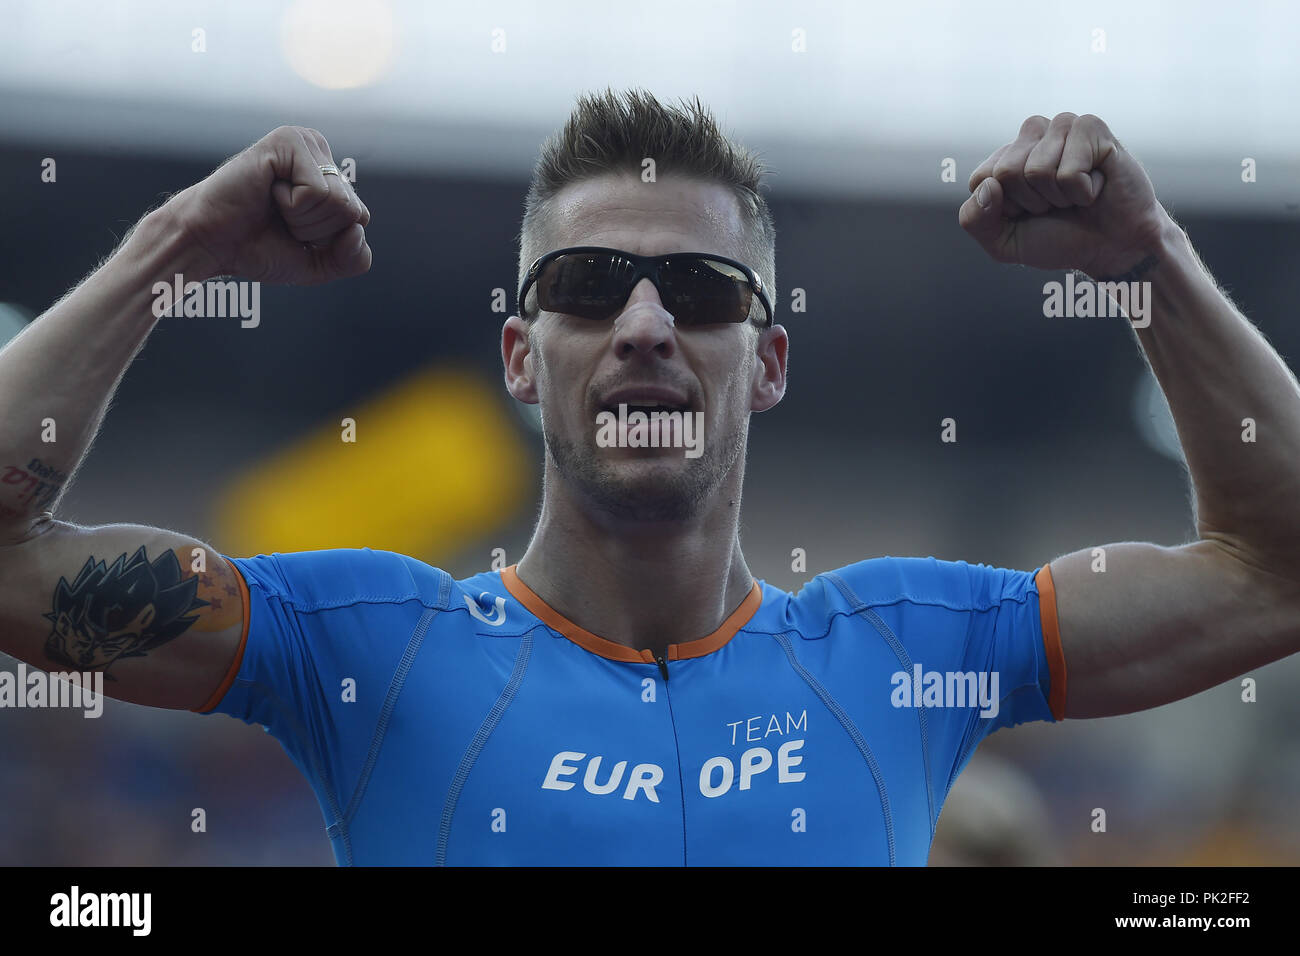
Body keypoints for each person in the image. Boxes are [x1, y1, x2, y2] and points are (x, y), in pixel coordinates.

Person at [1, 89, 1297, 865]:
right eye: (582, 287)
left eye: (699, 288)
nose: (641, 323)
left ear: (769, 362)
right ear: (521, 355)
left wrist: (1151, 260)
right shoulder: (361, 647)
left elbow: (1276, 572)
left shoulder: (913, 647)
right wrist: (166, 250)